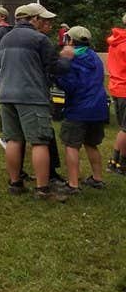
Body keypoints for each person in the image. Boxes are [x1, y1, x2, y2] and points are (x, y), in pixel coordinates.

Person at [0, 3, 72, 200]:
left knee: (13, 140)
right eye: (44, 19)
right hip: (30, 96)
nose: (47, 23)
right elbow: (56, 68)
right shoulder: (40, 39)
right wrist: (66, 57)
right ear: (33, 19)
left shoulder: (5, 38)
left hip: (6, 95)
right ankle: (43, 189)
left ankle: (15, 183)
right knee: (40, 141)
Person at [55, 26, 107, 192]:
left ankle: (73, 184)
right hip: (98, 107)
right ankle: (97, 178)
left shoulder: (71, 58)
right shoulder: (95, 57)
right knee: (91, 143)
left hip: (78, 108)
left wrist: (57, 74)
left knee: (71, 145)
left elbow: (70, 85)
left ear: (70, 40)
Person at [106, 13, 126, 175]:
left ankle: (115, 161)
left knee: (123, 128)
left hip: (116, 86)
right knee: (125, 129)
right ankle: (120, 163)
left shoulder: (116, 41)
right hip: (124, 88)